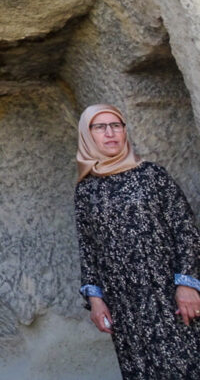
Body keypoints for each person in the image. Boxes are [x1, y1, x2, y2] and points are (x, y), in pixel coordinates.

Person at [74, 103, 200, 378]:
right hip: (125, 307)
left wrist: (188, 284)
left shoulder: (152, 175)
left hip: (170, 296)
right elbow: (88, 248)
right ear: (87, 135)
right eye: (100, 127)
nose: (110, 133)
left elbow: (186, 230)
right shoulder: (86, 190)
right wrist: (95, 300)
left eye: (116, 125)